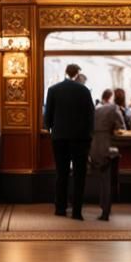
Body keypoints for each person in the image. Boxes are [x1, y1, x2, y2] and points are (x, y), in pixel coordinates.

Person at [44, 63, 94, 220]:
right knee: (79, 175)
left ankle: (60, 208)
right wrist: (88, 135)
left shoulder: (53, 90)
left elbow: (48, 116)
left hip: (59, 137)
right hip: (80, 138)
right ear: (78, 74)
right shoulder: (84, 90)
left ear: (65, 72)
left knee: (61, 173)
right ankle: (77, 211)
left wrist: (52, 129)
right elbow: (90, 115)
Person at [90, 89, 125, 221]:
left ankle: (104, 207)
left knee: (103, 179)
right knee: (107, 180)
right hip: (108, 147)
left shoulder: (97, 109)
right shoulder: (114, 109)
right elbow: (121, 127)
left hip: (95, 146)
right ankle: (106, 210)